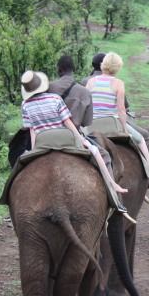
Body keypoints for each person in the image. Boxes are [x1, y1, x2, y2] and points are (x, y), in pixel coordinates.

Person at [20, 71, 128, 205]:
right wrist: (82, 141)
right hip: (65, 139)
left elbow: (33, 130)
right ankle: (112, 185)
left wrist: (33, 150)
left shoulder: (25, 105)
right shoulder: (55, 98)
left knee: (19, 168)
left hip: (43, 142)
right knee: (96, 151)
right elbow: (68, 123)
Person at [86, 52, 149, 189]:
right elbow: (121, 110)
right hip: (112, 123)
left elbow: (86, 104)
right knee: (140, 138)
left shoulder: (91, 82)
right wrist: (124, 129)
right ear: (117, 68)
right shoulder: (118, 83)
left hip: (92, 125)